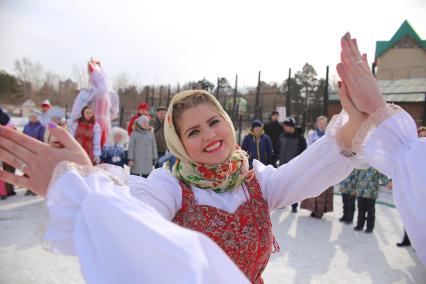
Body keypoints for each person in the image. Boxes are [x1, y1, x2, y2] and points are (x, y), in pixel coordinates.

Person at [1, 32, 426, 281]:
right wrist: (82, 185)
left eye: (214, 122)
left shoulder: (257, 180)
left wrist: (360, 115)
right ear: (179, 143)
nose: (208, 136)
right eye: (193, 131)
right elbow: (136, 216)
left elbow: (318, 163)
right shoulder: (171, 186)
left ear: (229, 122)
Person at [70, 58, 119, 147]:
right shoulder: (108, 93)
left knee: (93, 147)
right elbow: (115, 112)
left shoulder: (89, 93)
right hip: (101, 124)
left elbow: (77, 112)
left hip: (93, 125)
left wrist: (76, 120)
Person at [301, 116, 334, 219]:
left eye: (324, 124)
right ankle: (312, 209)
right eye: (320, 123)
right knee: (313, 186)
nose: (322, 125)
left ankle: (320, 210)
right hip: (314, 164)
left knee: (323, 188)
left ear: (326, 125)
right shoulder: (312, 135)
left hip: (326, 166)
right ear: (317, 124)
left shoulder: (330, 136)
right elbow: (308, 148)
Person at [276, 116, 307, 213]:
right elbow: (278, 148)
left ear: (291, 126)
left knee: (294, 186)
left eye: (286, 126)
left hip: (294, 166)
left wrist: (300, 164)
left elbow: (303, 152)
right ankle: (282, 203)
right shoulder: (282, 135)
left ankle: (294, 205)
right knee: (281, 185)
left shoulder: (300, 138)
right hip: (282, 165)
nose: (284, 127)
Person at [23, 109, 45, 196]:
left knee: (35, 170)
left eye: (34, 117)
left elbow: (42, 139)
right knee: (27, 170)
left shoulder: (41, 127)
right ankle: (29, 187)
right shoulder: (26, 126)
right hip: (27, 150)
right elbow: (23, 136)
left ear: (38, 118)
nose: (32, 118)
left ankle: (35, 189)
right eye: (31, 116)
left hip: (36, 151)